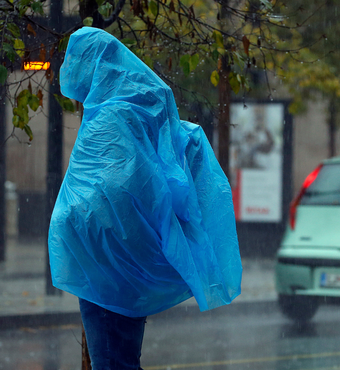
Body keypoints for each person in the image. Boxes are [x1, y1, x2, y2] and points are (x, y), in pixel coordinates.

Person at [48, 27, 242, 370]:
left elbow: (111, 189)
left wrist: (69, 220)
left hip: (107, 260)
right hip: (129, 258)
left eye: (75, 60)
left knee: (111, 360)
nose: (69, 67)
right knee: (121, 356)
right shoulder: (139, 106)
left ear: (93, 64)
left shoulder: (111, 116)